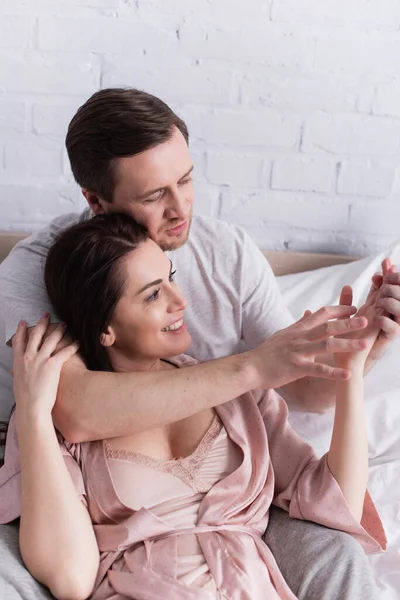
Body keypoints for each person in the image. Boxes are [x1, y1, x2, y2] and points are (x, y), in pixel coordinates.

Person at [0, 87, 398, 599]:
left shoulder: (227, 253)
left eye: (186, 180)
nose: (180, 207)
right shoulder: (39, 273)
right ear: (97, 201)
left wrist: (355, 355)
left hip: (238, 527)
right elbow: (70, 408)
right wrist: (252, 368)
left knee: (336, 552)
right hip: (100, 536)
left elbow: (298, 386)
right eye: (152, 196)